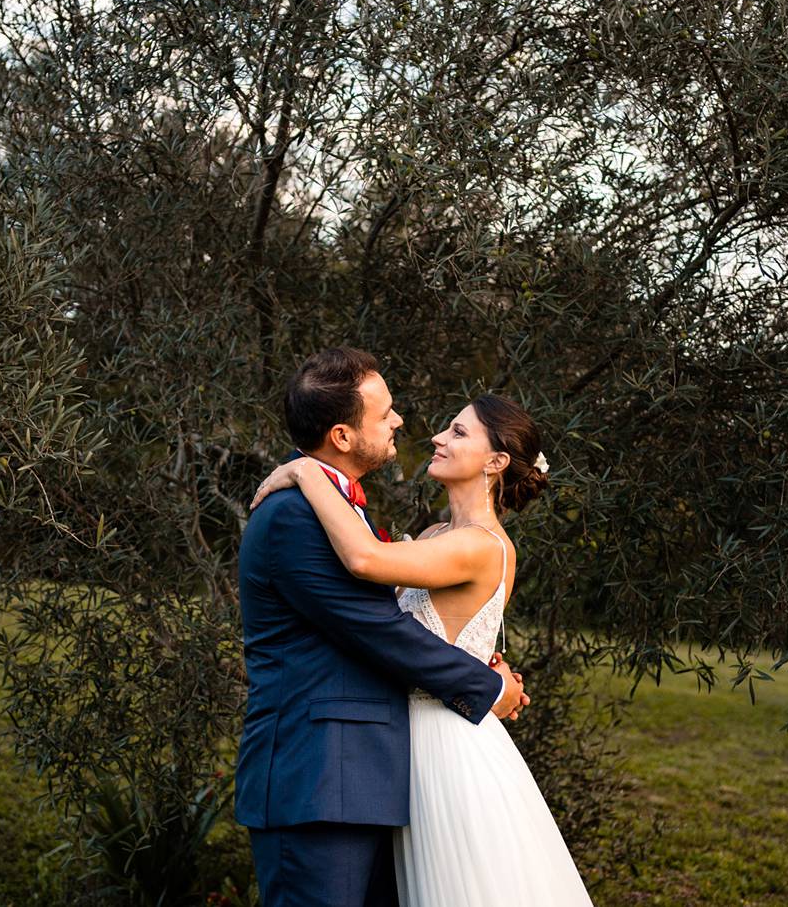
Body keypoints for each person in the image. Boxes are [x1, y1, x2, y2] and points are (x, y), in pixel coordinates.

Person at [251, 383, 594, 906]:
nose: (436, 436)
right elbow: (393, 621)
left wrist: (303, 471)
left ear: (496, 461)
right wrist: (488, 669)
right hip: (396, 746)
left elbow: (365, 560)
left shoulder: (480, 545)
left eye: (458, 431)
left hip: (443, 745)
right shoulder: (434, 536)